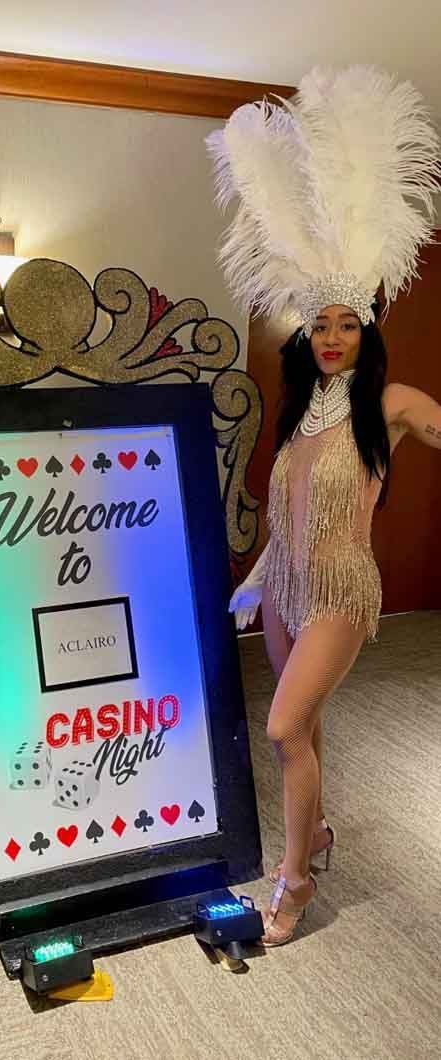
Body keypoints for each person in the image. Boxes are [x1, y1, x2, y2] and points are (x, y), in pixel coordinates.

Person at [207, 66, 441, 945]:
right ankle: (319, 830)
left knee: (281, 727)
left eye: (347, 323)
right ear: (306, 334)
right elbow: (290, 511)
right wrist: (255, 578)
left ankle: (294, 880)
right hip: (283, 589)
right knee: (305, 727)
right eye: (320, 325)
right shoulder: (300, 407)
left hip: (341, 588)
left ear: (367, 327)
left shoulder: (390, 403)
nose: (333, 336)